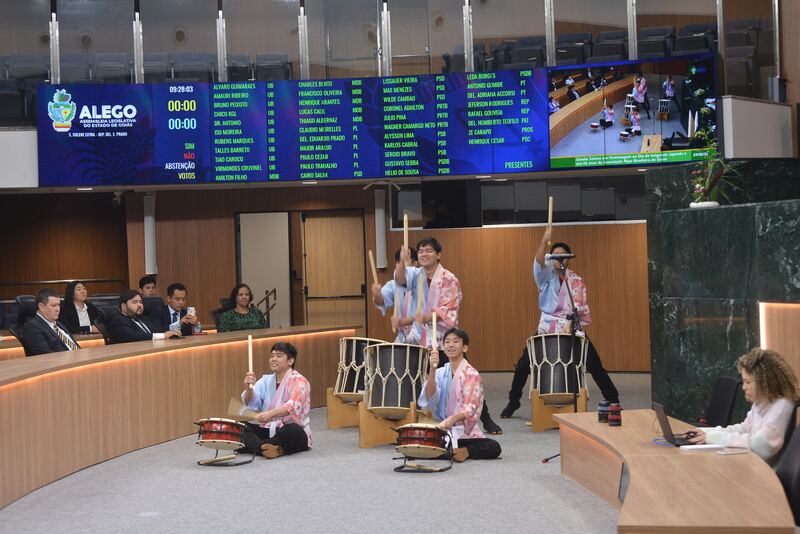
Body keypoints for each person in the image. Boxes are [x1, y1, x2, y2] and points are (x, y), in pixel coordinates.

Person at [501, 228, 619, 418]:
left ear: (568, 259)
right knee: (523, 365)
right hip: (548, 325)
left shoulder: (576, 280)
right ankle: (513, 402)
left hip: (571, 325)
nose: (558, 258)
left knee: (594, 364)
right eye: (554, 255)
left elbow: (580, 306)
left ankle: (613, 398)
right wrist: (543, 240)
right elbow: (538, 261)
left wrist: (572, 322)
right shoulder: (545, 276)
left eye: (562, 256)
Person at [396, 237, 503, 435]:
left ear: (438, 255)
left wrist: (425, 316)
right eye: (421, 251)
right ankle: (414, 423)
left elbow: (449, 309)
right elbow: (400, 280)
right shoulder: (416, 275)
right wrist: (403, 262)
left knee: (463, 376)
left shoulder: (448, 279)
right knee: (415, 380)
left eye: (429, 250)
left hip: (443, 339)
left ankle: (485, 418)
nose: (424, 254)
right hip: (417, 338)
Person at [689, 348, 799, 463]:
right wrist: (706, 432)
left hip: (764, 469)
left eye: (748, 382)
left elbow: (761, 445)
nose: (743, 387)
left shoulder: (782, 405)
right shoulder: (762, 400)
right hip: (752, 462)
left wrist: (713, 437)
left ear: (763, 382)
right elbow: (744, 429)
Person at [418, 329, 501, 462]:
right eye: (447, 342)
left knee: (493, 447)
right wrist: (432, 369)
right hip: (443, 430)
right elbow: (430, 396)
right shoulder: (440, 372)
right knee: (416, 442)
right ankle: (451, 452)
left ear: (465, 348)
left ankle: (464, 451)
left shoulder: (471, 374)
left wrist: (453, 419)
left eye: (456, 341)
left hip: (465, 433)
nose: (451, 345)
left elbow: (471, 407)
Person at [240, 342, 312, 459]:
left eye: (279, 356)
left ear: (290, 361)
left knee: (294, 431)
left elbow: (293, 407)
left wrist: (269, 414)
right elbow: (251, 403)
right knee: (238, 427)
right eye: (272, 356)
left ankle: (258, 446)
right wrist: (249, 387)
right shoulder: (266, 380)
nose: (273, 359)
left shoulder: (299, 381)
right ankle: (268, 448)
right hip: (268, 428)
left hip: (288, 430)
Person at [372, 247, 420, 343]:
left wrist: (402, 322)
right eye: (398, 262)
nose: (400, 265)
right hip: (402, 337)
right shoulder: (393, 285)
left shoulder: (423, 282)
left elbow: (425, 314)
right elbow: (381, 301)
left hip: (422, 337)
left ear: (415, 263)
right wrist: (377, 294)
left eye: (404, 261)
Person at [22, 288, 80, 356]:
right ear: (41, 306)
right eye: (53, 305)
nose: (58, 309)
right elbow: (45, 354)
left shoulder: (58, 324)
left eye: (59, 305)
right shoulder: (32, 327)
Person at [107, 289, 180, 344]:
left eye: (140, 302)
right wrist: (163, 336)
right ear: (124, 306)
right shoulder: (118, 320)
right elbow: (133, 336)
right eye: (135, 302)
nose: (139, 305)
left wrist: (172, 331)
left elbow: (155, 330)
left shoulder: (143, 318)